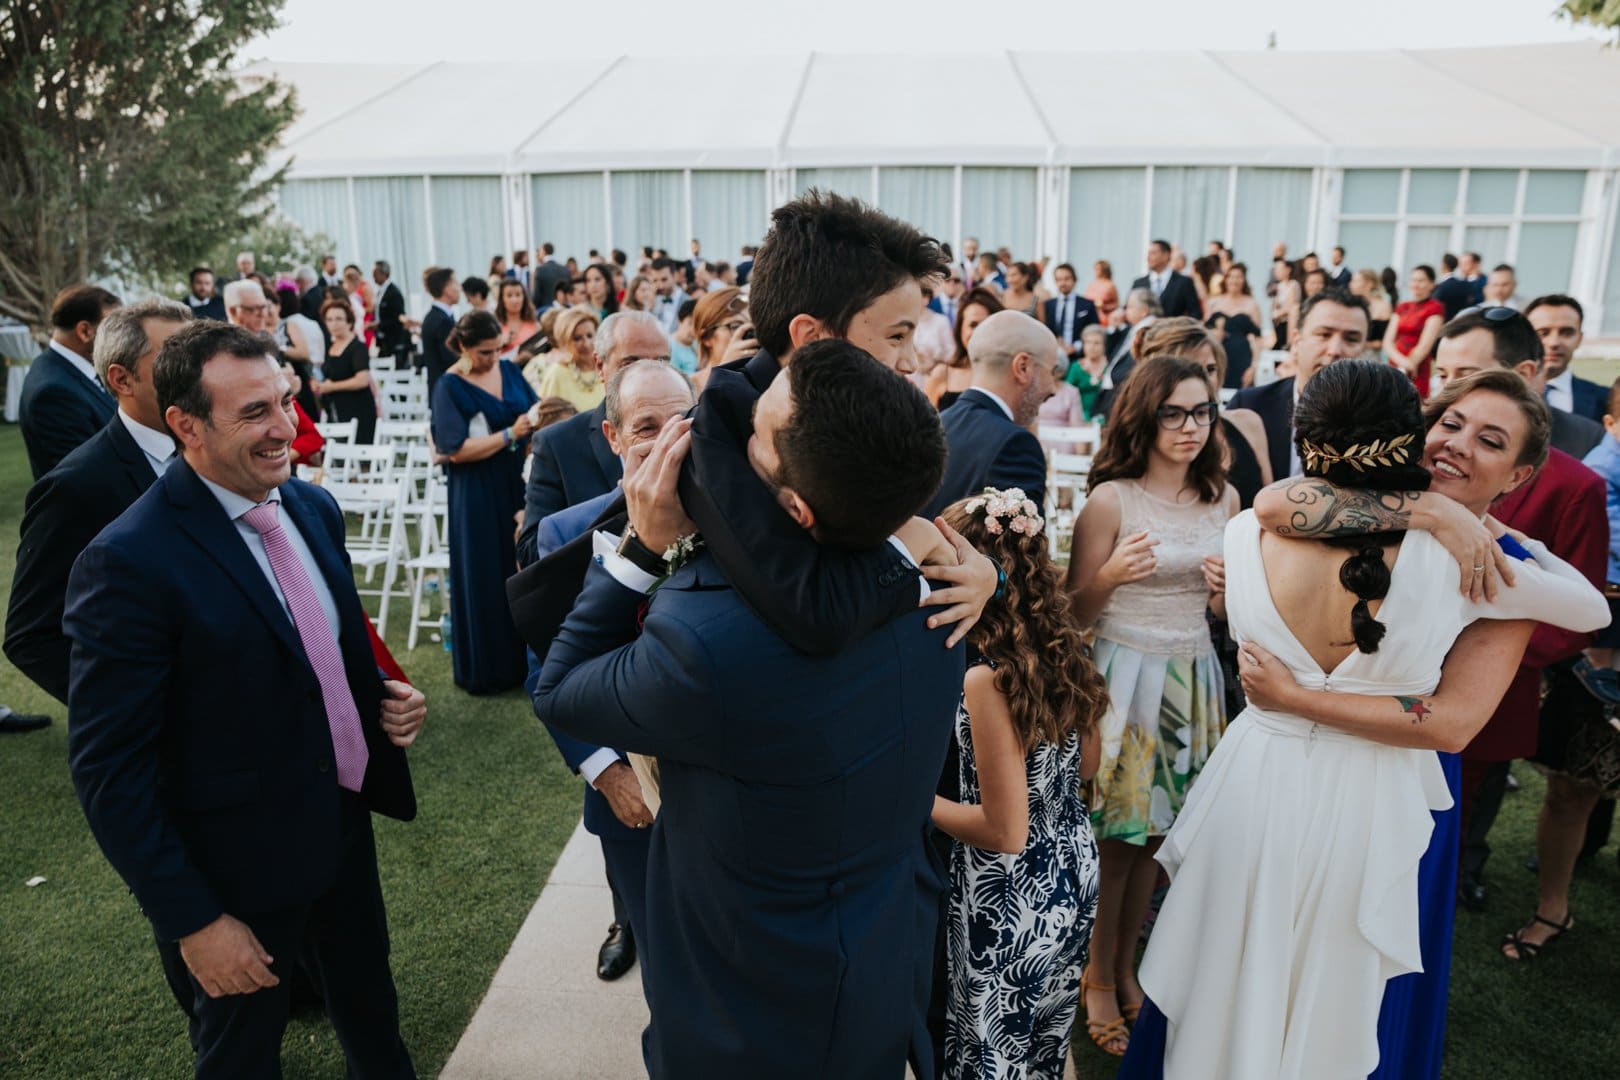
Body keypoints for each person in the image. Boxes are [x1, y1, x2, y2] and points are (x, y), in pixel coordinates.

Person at [1118, 362, 1608, 1080]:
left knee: (1232, 960)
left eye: (1489, 439)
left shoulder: (1254, 526)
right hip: (1363, 788)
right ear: (1412, 432)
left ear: (1520, 472)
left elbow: (1279, 505)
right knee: (1331, 982)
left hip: (1265, 771)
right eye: (1450, 424)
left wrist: (1468, 524)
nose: (1458, 445)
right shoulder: (1470, 565)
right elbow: (1590, 608)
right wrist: (1439, 515)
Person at [534, 338, 962, 1078]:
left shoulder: (709, 643)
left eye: (749, 441)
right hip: (876, 961)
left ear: (794, 508)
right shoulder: (942, 589)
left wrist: (640, 550)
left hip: (740, 1001)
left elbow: (562, 689)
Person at [64, 319, 426, 1079]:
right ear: (185, 426)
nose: (285, 429)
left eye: (285, 402)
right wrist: (193, 920)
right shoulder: (127, 561)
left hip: (341, 827)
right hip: (231, 873)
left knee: (372, 1015)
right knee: (241, 1055)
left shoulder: (310, 508)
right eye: (254, 413)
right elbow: (108, 772)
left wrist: (382, 699)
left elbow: (316, 651)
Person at [1066, 356, 1238, 1058]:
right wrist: (1109, 574)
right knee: (1116, 842)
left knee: (1160, 841)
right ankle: (1096, 980)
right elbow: (1073, 611)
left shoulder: (1223, 497)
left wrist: (1227, 593)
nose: (1191, 427)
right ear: (1144, 415)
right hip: (1124, 676)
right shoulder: (1111, 500)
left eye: (1202, 412)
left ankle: (1129, 968)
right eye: (1175, 412)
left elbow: (1225, 612)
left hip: (1193, 675)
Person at [1421, 309, 1607, 914]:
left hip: (1493, 687)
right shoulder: (1403, 476)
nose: (1450, 385)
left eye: (1467, 371)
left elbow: (1578, 611)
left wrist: (1483, 652)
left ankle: (1460, 875)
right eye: (1443, 376)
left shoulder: (1574, 485)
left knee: (1456, 818)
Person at [526, 360, 696, 988]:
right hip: (629, 790)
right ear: (613, 437)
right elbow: (548, 662)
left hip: (728, 787)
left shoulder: (735, 521)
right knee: (663, 963)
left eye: (679, 420)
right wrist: (605, 770)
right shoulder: (568, 532)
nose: (662, 437)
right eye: (645, 425)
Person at [933, 490, 1108, 1080]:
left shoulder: (987, 680)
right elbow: (1084, 768)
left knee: (990, 1057)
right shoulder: (1064, 652)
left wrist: (915, 801)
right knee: (1042, 1052)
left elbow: (1004, 831)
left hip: (1007, 900)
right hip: (1074, 874)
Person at [6, 299, 190, 706]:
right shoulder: (76, 487)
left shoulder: (213, 449)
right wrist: (132, 707)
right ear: (122, 380)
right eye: (176, 359)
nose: (196, 372)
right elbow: (30, 635)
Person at [430, 311, 539, 693]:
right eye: (483, 352)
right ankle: (490, 668)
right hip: (474, 490)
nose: (492, 358)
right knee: (484, 570)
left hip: (515, 482)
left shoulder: (510, 372)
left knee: (517, 567)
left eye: (496, 350)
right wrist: (511, 433)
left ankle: (526, 662)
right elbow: (454, 449)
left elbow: (535, 411)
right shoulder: (449, 386)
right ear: (462, 347)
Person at [517, 311, 671, 569]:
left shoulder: (693, 429)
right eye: (631, 364)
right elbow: (532, 552)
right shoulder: (558, 443)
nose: (647, 377)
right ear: (600, 366)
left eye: (661, 363)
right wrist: (622, 501)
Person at [924, 311, 1056, 519]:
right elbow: (1021, 549)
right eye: (1052, 371)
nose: (1053, 388)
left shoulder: (933, 426)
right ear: (1023, 367)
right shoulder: (1016, 445)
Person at [1232, 286, 1371, 482]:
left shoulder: (1381, 421)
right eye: (1324, 334)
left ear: (1364, 351)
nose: (1335, 350)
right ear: (1296, 342)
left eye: (1351, 339)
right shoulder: (1249, 407)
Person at [1134, 317, 1271, 507]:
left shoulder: (1248, 423)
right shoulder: (1146, 442)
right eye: (1190, 370)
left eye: (1211, 369)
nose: (1203, 381)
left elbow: (1271, 512)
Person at [20, 284, 122, 480]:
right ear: (85, 331)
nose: (121, 338)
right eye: (113, 329)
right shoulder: (52, 393)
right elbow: (87, 475)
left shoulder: (71, 367)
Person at [1528, 293, 1607, 424]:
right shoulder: (1500, 392)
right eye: (1543, 333)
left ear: (1579, 339)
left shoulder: (1605, 400)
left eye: (1567, 333)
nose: (1554, 343)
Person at [312, 299, 375, 444]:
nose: (334, 323)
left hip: (358, 408)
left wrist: (331, 387)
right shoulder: (331, 346)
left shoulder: (358, 347)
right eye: (329, 319)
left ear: (349, 322)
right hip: (336, 408)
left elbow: (362, 380)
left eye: (339, 319)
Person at [927, 287, 1001, 411]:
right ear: (960, 329)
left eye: (987, 325)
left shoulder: (1010, 378)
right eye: (973, 325)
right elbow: (923, 427)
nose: (980, 332)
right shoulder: (942, 375)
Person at [1094, 288, 1161, 418]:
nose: (1124, 311)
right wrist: (1113, 327)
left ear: (1144, 311)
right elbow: (1111, 355)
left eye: (1129, 307)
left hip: (1126, 393)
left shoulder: (1152, 330)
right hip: (1112, 393)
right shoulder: (1131, 329)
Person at [1203, 261, 1263, 389]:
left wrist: (1254, 367)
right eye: (1231, 276)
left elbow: (1258, 339)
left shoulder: (1252, 304)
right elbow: (1204, 331)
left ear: (1244, 280)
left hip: (1241, 358)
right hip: (1216, 355)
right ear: (1226, 279)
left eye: (1239, 277)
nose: (1234, 281)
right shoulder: (1213, 302)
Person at [534, 307, 603, 412]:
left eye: (590, 336)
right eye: (577, 338)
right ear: (564, 341)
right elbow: (546, 419)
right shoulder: (556, 373)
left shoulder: (606, 368)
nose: (586, 344)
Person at [690, 286, 749, 392]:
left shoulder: (764, 379)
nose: (746, 333)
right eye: (735, 326)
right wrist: (724, 371)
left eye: (751, 326)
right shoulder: (690, 388)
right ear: (706, 338)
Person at [1132, 240, 1200, 321]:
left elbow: (1195, 313)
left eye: (1153, 253)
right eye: (1148, 253)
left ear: (1166, 255)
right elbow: (1129, 309)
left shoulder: (1184, 282)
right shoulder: (1139, 283)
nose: (1148, 257)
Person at [1045, 261, 1101, 359]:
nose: (1063, 283)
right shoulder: (1048, 305)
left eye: (1067, 279)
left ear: (1074, 280)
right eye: (1059, 279)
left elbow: (1095, 330)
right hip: (1054, 356)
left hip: (1079, 357)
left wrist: (1076, 347)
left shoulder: (1087, 305)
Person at [419, 266, 460, 395]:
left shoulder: (436, 316)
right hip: (446, 392)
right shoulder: (442, 321)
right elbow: (451, 359)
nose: (460, 288)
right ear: (446, 290)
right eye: (456, 283)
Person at [371, 261, 409, 369]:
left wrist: (379, 325)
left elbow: (398, 317)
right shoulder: (380, 292)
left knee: (395, 369)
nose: (373, 276)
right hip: (383, 340)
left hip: (393, 339)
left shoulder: (394, 293)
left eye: (375, 273)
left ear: (384, 273)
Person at [1350, 267, 1394, 360]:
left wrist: (1362, 344)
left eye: (1356, 281)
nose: (1351, 285)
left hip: (1370, 358)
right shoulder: (1349, 305)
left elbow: (1383, 341)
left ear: (1369, 284)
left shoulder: (1383, 306)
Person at [1067, 324, 1109, 419]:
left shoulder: (1110, 366)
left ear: (1104, 345)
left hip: (1104, 416)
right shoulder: (1076, 367)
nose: (1091, 347)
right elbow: (1067, 394)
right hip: (1079, 417)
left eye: (1097, 343)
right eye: (1088, 342)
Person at [494, 278, 540, 361]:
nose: (515, 300)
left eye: (518, 295)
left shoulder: (535, 325)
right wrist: (501, 343)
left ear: (524, 298)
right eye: (509, 295)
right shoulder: (495, 326)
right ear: (502, 299)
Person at [1434, 253, 1484, 320]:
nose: (1461, 267)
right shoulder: (1461, 282)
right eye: (1460, 264)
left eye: (1465, 263)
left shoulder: (1485, 282)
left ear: (1476, 264)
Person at [648, 257, 689, 334]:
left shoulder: (688, 301)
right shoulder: (654, 300)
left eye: (664, 279)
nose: (660, 286)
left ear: (674, 276)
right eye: (655, 280)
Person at [1087, 260, 1120, 326]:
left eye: (1098, 269)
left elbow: (1117, 304)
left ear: (1104, 270)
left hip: (1103, 319)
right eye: (1095, 269)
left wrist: (1104, 307)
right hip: (1090, 316)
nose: (1095, 271)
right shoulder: (1092, 284)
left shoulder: (1110, 285)